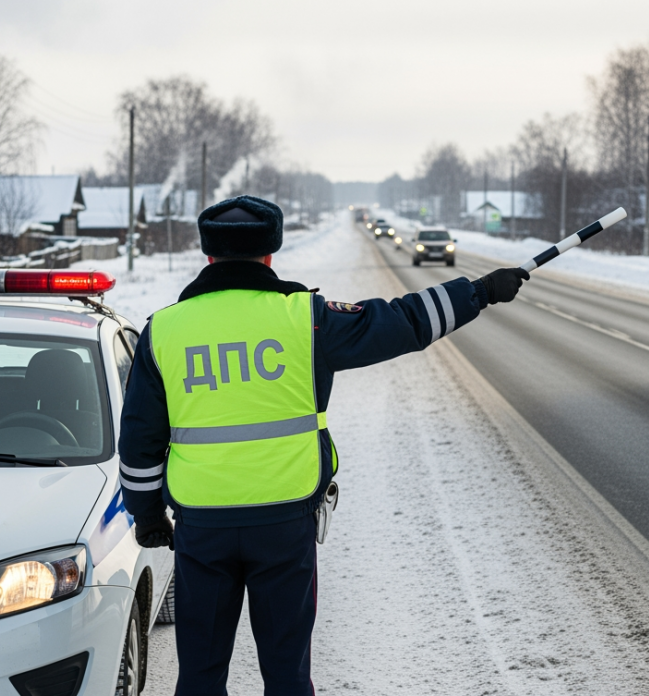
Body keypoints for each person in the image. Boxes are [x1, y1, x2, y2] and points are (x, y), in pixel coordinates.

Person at [118, 195, 528, 695]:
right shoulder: (305, 319)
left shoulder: (165, 330)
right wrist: (479, 292)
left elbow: (139, 440)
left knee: (200, 675)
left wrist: (147, 516)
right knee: (287, 675)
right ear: (270, 253)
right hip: (284, 525)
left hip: (202, 530)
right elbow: (401, 323)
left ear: (208, 255)